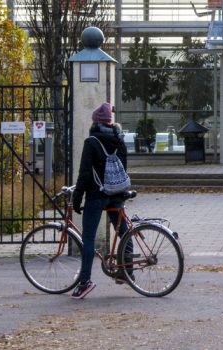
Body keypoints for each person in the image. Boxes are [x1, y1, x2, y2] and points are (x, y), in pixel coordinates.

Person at [71, 102, 130, 300]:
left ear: (96, 122)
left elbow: (84, 174)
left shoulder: (92, 142)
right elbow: (123, 168)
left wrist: (76, 198)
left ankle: (85, 281)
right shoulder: (119, 140)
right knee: (124, 232)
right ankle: (127, 269)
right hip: (116, 193)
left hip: (96, 196)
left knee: (88, 238)